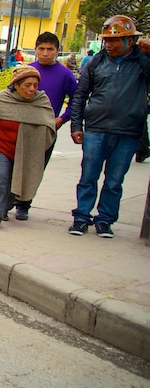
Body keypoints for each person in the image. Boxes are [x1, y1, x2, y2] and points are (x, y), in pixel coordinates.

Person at [68, 15, 150, 238]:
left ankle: (105, 219)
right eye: (107, 40)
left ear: (130, 41)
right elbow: (80, 96)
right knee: (88, 176)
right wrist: (77, 125)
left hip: (128, 130)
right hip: (96, 128)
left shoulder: (142, 63)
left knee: (114, 180)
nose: (109, 45)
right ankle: (81, 217)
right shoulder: (96, 63)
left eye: (116, 41)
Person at [0, 66, 57, 230]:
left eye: (35, 85)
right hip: (0, 148)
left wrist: (38, 144)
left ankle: (5, 209)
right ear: (16, 85)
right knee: (0, 177)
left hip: (25, 151)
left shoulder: (41, 101)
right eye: (27, 85)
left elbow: (49, 125)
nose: (32, 89)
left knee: (17, 180)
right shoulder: (2, 99)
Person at [17, 32, 78, 220]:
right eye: (41, 49)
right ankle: (7, 201)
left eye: (50, 49)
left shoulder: (66, 75)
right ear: (35, 50)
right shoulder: (26, 70)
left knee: (36, 167)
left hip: (46, 129)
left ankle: (24, 204)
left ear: (57, 51)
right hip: (21, 126)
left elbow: (76, 101)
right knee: (14, 165)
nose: (45, 53)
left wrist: (62, 119)